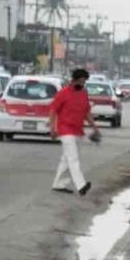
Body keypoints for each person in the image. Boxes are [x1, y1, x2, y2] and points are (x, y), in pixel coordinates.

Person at [48, 68, 98, 196]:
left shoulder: (83, 94)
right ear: (73, 80)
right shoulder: (62, 93)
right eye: (80, 82)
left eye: (84, 82)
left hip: (78, 131)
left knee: (66, 159)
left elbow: (86, 112)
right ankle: (81, 185)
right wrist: (52, 128)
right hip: (65, 130)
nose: (81, 85)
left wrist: (94, 127)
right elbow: (53, 110)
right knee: (73, 158)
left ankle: (58, 184)